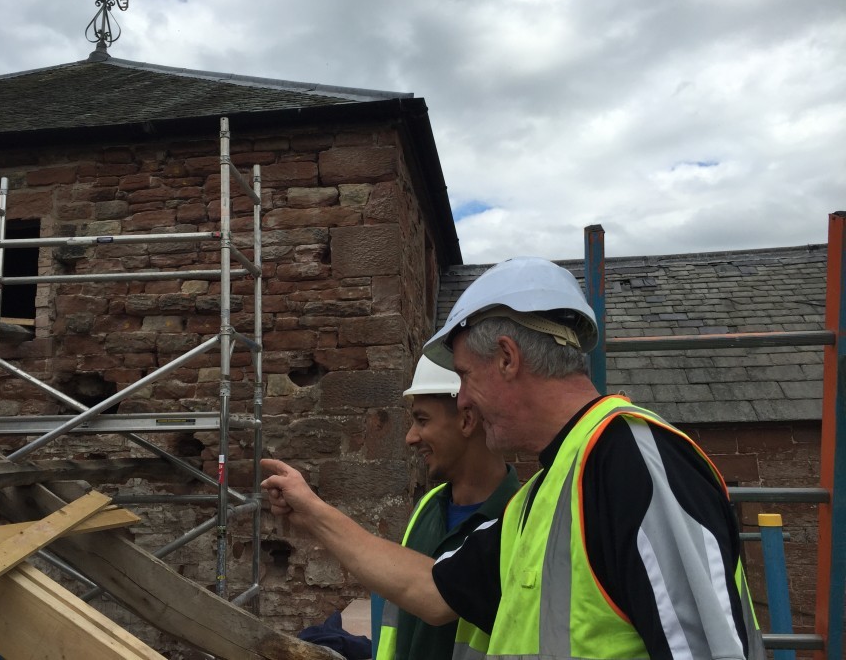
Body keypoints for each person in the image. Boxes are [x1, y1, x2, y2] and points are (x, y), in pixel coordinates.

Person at [262, 256, 765, 660]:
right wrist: (312, 511)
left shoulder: (634, 462)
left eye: (463, 375)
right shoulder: (540, 498)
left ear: (507, 357)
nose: (461, 402)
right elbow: (431, 590)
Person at [376, 356, 519, 660]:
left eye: (422, 420)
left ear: (467, 420)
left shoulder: (521, 523)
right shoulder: (427, 508)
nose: (410, 437)